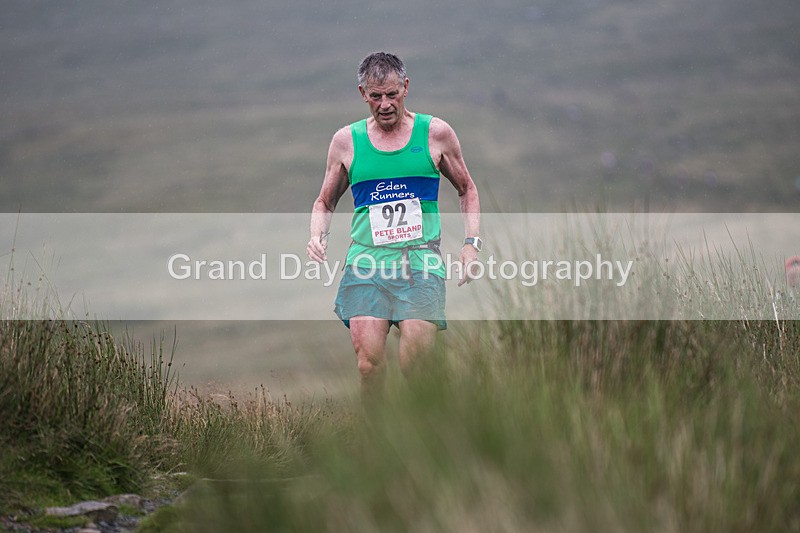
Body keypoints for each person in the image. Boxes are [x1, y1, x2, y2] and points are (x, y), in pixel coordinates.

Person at [307, 52, 481, 400]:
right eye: (376, 96)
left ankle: (429, 428)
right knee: (369, 367)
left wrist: (471, 243)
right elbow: (324, 201)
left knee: (415, 365)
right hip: (366, 264)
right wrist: (316, 235)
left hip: (420, 263)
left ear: (405, 87)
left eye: (391, 94)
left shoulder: (435, 134)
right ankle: (377, 434)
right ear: (363, 94)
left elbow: (467, 189)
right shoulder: (346, 141)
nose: (385, 104)